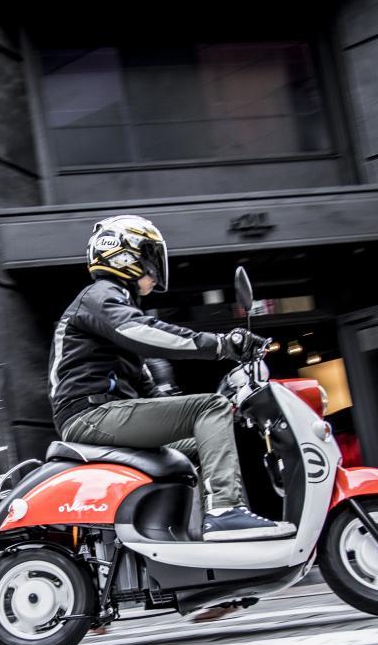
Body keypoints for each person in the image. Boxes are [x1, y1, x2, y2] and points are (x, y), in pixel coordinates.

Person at [49, 214, 295, 542]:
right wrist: (222, 345)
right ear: (126, 256)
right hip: (91, 415)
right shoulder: (101, 296)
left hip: (104, 415)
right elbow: (143, 332)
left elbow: (149, 393)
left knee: (202, 440)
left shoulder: (111, 306)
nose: (155, 270)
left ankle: (201, 538)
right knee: (209, 408)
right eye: (150, 256)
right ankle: (224, 511)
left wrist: (223, 398)